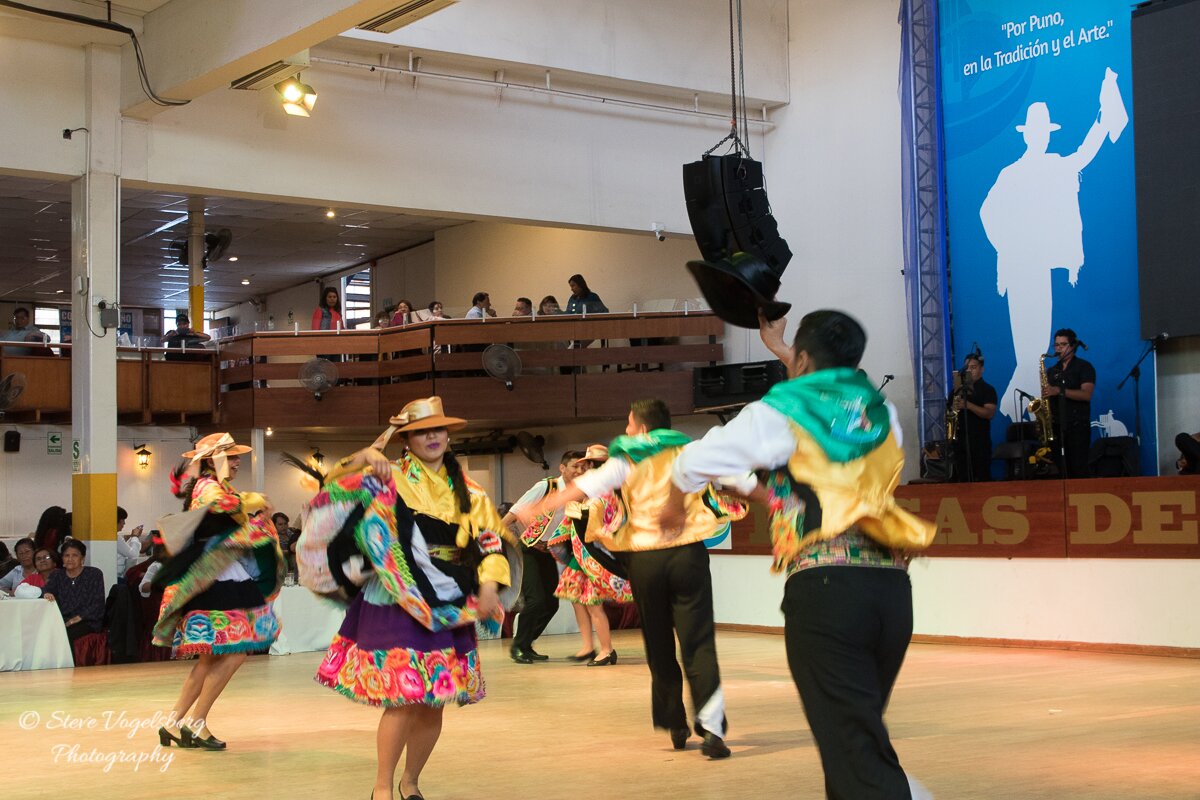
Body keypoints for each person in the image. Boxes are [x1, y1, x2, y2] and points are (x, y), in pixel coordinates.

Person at [665, 309, 936, 799]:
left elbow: (690, 463)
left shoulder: (779, 411)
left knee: (856, 754)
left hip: (828, 595)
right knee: (852, 743)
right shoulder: (882, 413)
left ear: (804, 361)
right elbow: (828, 402)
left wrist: (671, 504)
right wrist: (783, 348)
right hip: (891, 593)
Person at [310, 396, 516, 800]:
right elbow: (332, 486)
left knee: (434, 698)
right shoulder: (387, 476)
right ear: (406, 439)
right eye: (422, 431)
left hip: (448, 598)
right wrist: (365, 455)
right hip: (398, 594)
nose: (432, 437)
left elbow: (491, 541)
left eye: (438, 429)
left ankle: (411, 782)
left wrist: (491, 583)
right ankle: (382, 788)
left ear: (448, 435)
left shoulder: (471, 492)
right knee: (403, 696)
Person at [518, 398, 745, 758]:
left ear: (640, 428)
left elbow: (587, 486)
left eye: (628, 424)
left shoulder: (625, 459)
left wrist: (543, 505)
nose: (625, 431)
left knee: (658, 641)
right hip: (688, 555)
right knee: (699, 641)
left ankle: (675, 722)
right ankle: (713, 730)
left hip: (645, 559)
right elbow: (738, 478)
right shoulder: (690, 451)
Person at [980, 70, 1126, 406]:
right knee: (1027, 339)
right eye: (1038, 132)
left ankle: (1030, 400)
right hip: (1020, 265)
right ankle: (1023, 401)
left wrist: (1102, 120)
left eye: (1045, 132)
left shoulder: (1053, 165)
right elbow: (987, 213)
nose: (1042, 138)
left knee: (1038, 340)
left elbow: (1083, 154)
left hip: (1039, 265)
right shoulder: (1011, 174)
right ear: (1028, 136)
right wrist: (1007, 246)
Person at [152, 432, 285, 751]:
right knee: (237, 649)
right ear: (213, 461)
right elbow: (222, 506)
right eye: (232, 456)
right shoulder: (209, 487)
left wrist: (256, 516)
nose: (237, 461)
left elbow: (234, 522)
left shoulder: (217, 487)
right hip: (215, 577)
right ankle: (197, 722)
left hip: (218, 575)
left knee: (211, 658)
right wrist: (254, 500)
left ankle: (173, 722)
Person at [550, 445, 634, 667]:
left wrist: (576, 510)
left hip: (596, 555)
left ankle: (606, 649)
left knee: (592, 604)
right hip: (584, 554)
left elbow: (596, 522)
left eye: (586, 465)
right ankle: (589, 646)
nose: (583, 469)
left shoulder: (606, 494)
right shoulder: (599, 492)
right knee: (578, 598)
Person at [500, 451, 582, 663]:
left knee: (551, 604)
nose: (579, 471)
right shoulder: (546, 486)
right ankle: (518, 647)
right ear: (562, 468)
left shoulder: (580, 493)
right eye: (575, 466)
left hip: (548, 552)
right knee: (536, 600)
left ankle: (526, 643)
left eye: (582, 467)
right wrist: (496, 537)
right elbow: (515, 511)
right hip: (528, 550)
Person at [1044, 328, 1095, 479]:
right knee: (1060, 469)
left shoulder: (1084, 367)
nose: (1058, 348)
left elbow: (1086, 395)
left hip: (1077, 426)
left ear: (1073, 346)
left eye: (1063, 344)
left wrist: (1059, 391)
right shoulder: (1052, 371)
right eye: (1056, 345)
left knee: (1078, 469)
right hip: (1056, 426)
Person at [43, 539, 106, 645]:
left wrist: (77, 619)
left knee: (63, 635)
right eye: (66, 555)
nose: (70, 559)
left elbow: (98, 603)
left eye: (75, 555)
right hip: (63, 619)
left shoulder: (94, 574)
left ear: (82, 558)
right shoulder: (57, 575)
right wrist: (46, 593)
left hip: (87, 620)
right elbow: (45, 590)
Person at [948, 353, 997, 482]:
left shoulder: (988, 390)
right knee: (962, 480)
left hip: (979, 442)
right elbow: (948, 414)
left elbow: (989, 413)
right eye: (967, 368)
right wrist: (953, 409)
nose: (969, 371)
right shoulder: (955, 391)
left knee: (981, 479)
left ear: (982, 369)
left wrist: (968, 405)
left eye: (973, 367)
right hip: (960, 442)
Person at [115, 506, 148, 582]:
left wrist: (132, 537)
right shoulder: (115, 537)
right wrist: (135, 537)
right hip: (117, 578)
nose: (124, 523)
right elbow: (133, 554)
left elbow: (125, 549)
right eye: (123, 520)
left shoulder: (115, 537)